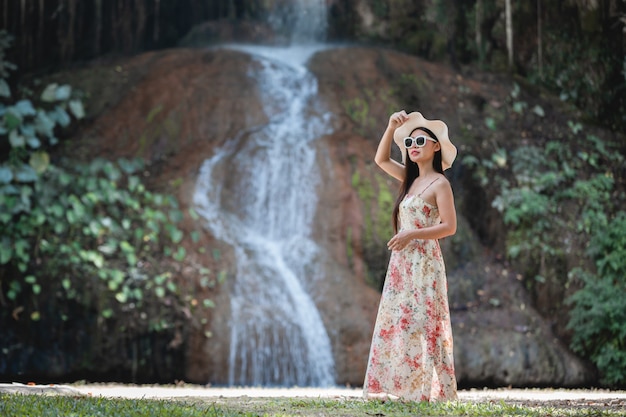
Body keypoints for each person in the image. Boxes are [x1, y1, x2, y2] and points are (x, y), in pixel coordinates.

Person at [363, 110, 458, 402]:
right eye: (409, 143)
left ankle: (428, 391)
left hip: (425, 262)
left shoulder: (440, 184)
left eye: (420, 140)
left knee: (424, 320)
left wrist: (411, 234)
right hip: (402, 263)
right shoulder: (410, 179)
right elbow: (380, 160)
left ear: (436, 146)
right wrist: (391, 127)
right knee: (401, 319)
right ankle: (405, 388)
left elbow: (450, 226)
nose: (413, 146)